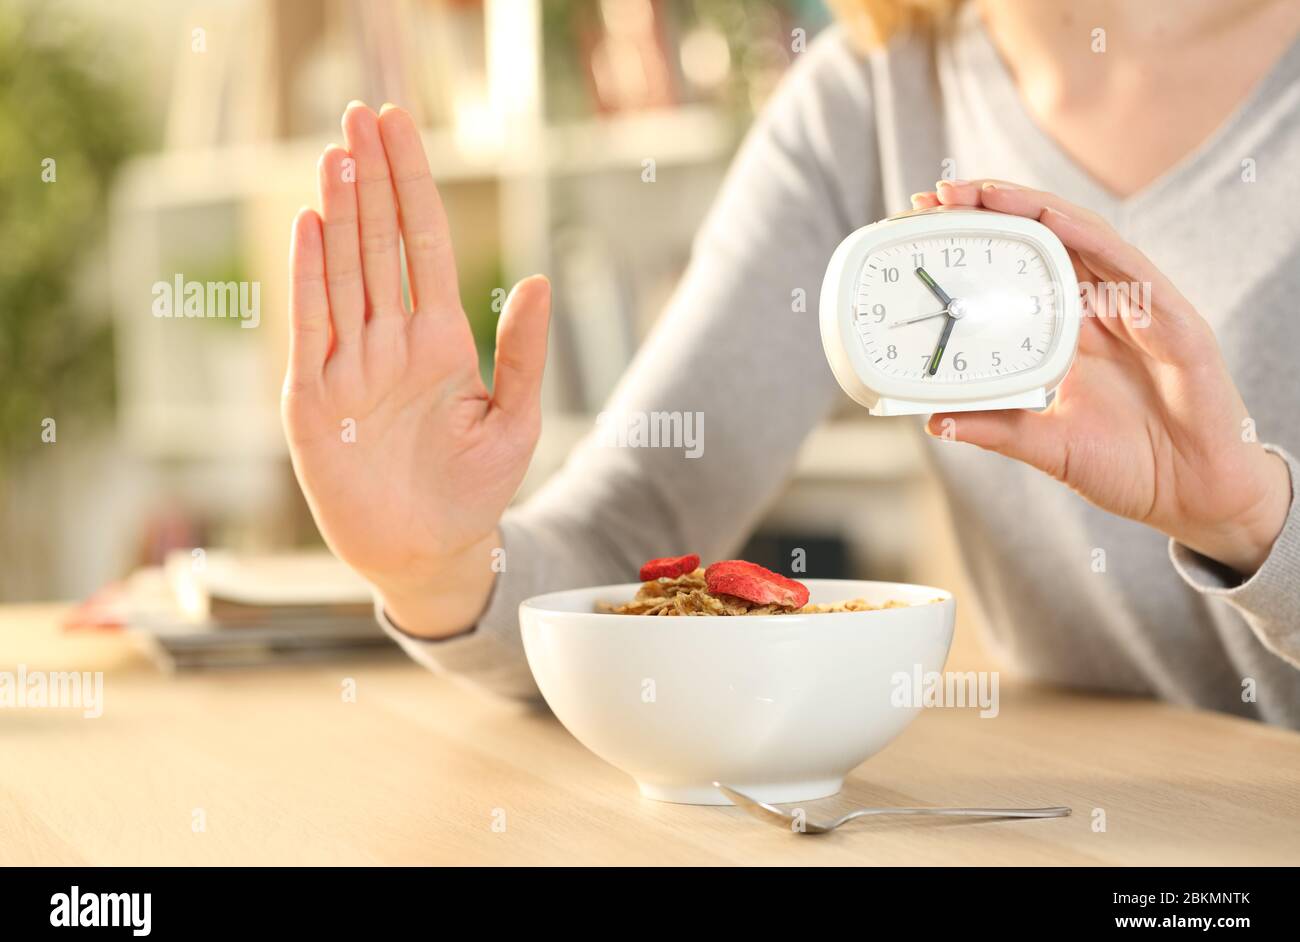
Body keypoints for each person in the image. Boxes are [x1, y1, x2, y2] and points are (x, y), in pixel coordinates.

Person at [280, 0, 1300, 725]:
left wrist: (1254, 518)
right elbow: (631, 539)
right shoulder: (865, 96)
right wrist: (445, 565)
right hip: (1068, 823)